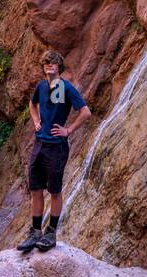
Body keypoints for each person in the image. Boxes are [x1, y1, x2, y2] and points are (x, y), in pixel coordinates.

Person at [17, 50, 91, 253]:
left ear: (59, 67)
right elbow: (33, 105)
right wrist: (36, 121)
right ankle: (35, 232)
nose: (49, 65)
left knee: (55, 191)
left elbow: (85, 112)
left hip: (56, 147)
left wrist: (68, 130)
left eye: (53, 63)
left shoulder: (65, 87)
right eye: (46, 63)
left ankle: (50, 233)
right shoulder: (42, 86)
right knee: (36, 189)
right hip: (40, 143)